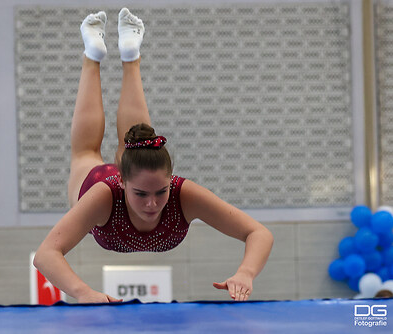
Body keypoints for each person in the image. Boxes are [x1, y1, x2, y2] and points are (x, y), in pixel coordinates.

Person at [34, 8, 274, 303]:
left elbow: (258, 233)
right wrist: (84, 293)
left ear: (171, 181)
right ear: (121, 182)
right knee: (85, 153)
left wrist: (246, 272)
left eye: (161, 191)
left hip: (130, 176)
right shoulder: (103, 195)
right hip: (95, 182)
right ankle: (95, 57)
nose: (153, 203)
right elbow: (46, 254)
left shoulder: (183, 195)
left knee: (119, 148)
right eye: (140, 193)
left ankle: (128, 54)